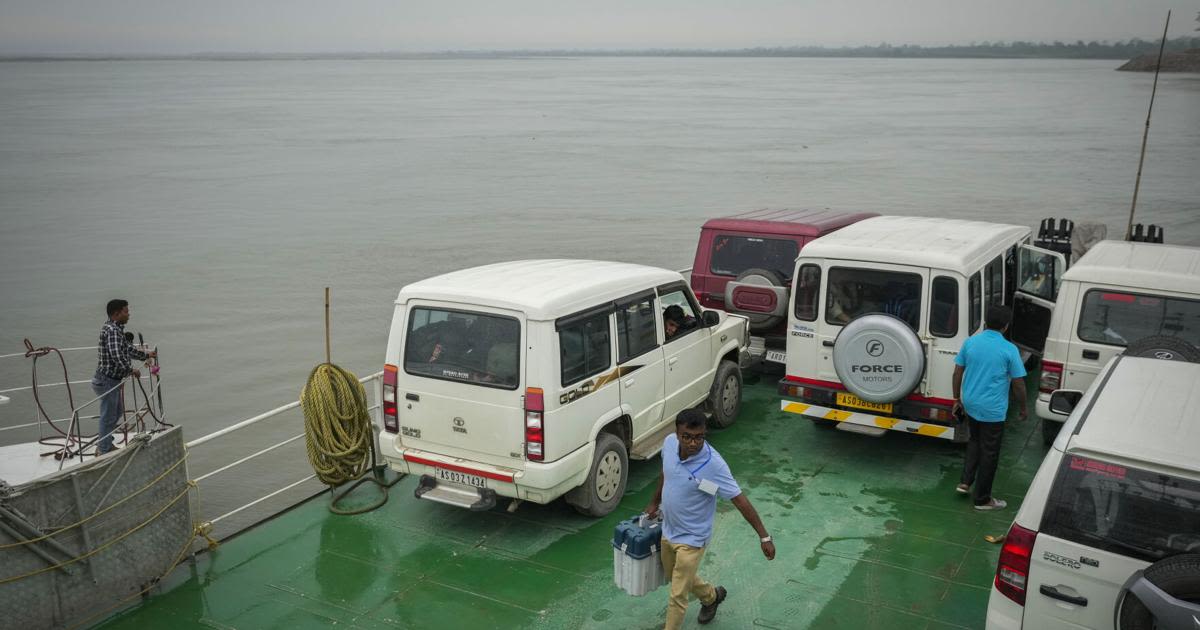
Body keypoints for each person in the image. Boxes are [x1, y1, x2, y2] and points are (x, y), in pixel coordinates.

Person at [645, 409, 775, 628]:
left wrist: (764, 537)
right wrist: (654, 501)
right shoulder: (668, 444)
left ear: (704, 434)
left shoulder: (714, 465)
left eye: (699, 437)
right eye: (687, 436)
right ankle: (711, 597)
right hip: (669, 529)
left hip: (693, 539)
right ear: (677, 434)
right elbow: (666, 472)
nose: (693, 443)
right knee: (673, 575)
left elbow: (739, 499)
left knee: (677, 594)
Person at [953, 305, 1028, 511]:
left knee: (974, 440)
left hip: (970, 403)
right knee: (990, 452)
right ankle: (982, 500)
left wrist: (956, 398)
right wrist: (1023, 407)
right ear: (1006, 326)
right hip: (992, 410)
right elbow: (1018, 383)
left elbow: (958, 372)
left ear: (985, 322)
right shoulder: (1009, 349)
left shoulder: (970, 342)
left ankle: (965, 482)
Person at [92, 299, 156, 454]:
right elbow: (117, 356)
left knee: (116, 412)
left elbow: (127, 349)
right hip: (106, 380)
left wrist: (145, 355)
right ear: (116, 313)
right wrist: (130, 370)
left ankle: (105, 444)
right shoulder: (113, 331)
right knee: (109, 415)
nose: (129, 314)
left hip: (110, 380)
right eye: (126, 311)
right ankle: (104, 448)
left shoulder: (116, 329)